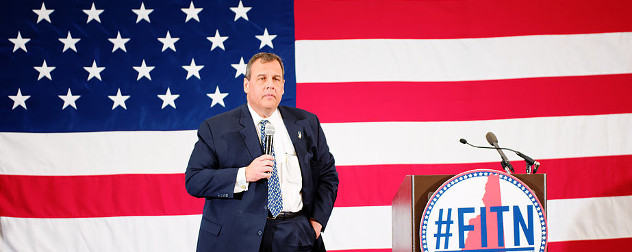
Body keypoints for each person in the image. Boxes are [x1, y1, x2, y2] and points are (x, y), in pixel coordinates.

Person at [185, 52, 339, 252]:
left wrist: (316, 223)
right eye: (262, 78)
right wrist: (244, 175)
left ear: (283, 86)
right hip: (239, 239)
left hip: (297, 235)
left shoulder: (306, 123)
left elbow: (328, 175)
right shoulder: (216, 128)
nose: (270, 85)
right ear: (246, 85)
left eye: (276, 79)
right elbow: (194, 180)